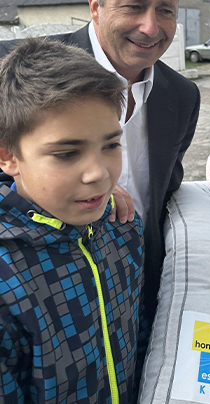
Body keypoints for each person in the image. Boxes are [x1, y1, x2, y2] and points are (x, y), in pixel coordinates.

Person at [0, 0, 201, 321]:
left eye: (165, 10)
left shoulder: (183, 97)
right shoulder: (13, 69)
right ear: (95, 5)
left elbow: (164, 194)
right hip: (39, 304)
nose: (150, 26)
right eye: (134, 6)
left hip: (137, 296)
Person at [0, 39, 146, 403]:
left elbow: (137, 335)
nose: (98, 174)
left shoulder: (122, 225)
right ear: (8, 156)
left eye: (111, 145)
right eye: (67, 153)